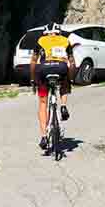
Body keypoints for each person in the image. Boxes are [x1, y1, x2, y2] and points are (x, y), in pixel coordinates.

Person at [30, 23, 76, 151]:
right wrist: (70, 79)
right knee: (65, 83)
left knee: (43, 102)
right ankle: (63, 106)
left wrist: (33, 79)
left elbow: (33, 62)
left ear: (46, 33)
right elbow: (72, 62)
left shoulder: (41, 40)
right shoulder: (65, 40)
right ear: (59, 32)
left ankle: (44, 136)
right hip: (60, 68)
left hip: (44, 69)